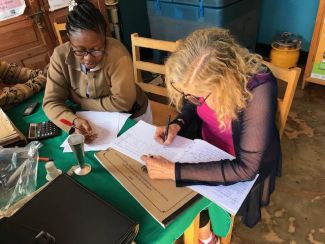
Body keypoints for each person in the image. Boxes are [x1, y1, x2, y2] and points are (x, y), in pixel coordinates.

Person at [141, 28, 281, 243]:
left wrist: (174, 171)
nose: (190, 97)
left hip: (240, 157)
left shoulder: (259, 88)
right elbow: (192, 103)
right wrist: (178, 123)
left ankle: (208, 235)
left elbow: (246, 168)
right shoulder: (199, 85)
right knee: (167, 191)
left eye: (197, 93)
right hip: (206, 143)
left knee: (183, 190)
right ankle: (205, 230)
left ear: (222, 81)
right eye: (187, 92)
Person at [43, 0, 151, 143]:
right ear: (69, 41)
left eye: (95, 49)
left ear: (105, 39)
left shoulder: (118, 55)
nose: (88, 59)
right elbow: (51, 102)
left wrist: (80, 101)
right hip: (91, 116)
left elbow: (122, 103)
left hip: (131, 115)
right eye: (80, 51)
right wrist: (73, 121)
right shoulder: (59, 56)